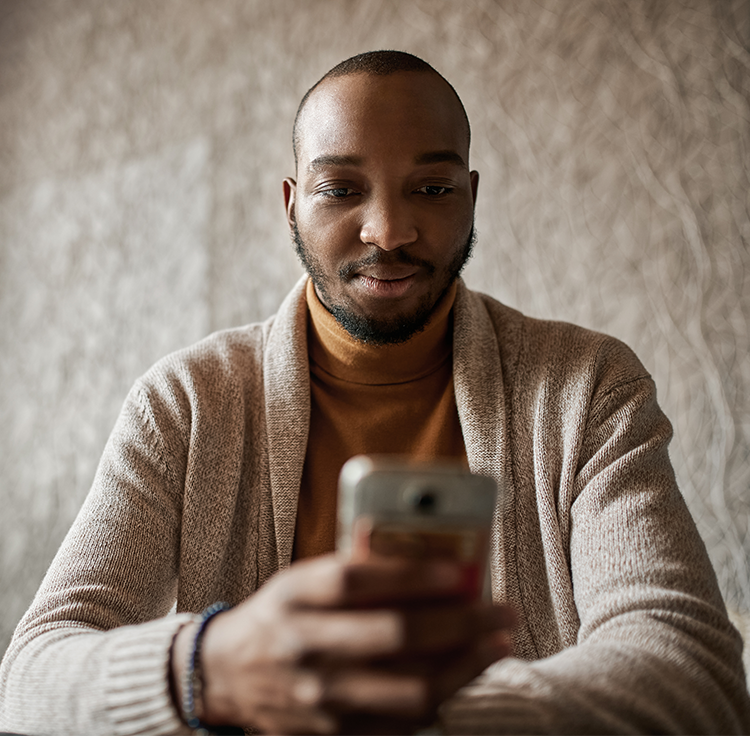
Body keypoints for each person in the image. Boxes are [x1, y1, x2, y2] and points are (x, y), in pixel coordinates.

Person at [0, 50, 748, 736]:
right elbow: (28, 681)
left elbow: (695, 673)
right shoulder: (184, 402)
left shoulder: (588, 387)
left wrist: (422, 717)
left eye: (430, 187)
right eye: (341, 189)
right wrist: (204, 668)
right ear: (291, 203)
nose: (388, 231)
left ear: (471, 196)